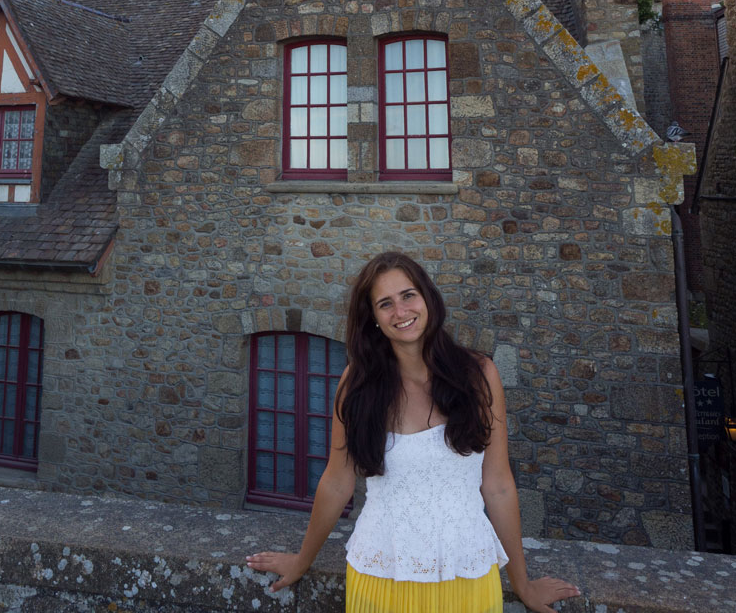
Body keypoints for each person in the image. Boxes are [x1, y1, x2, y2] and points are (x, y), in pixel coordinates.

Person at [247, 251, 580, 613]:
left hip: (467, 576)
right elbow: (337, 480)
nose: (401, 312)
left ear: (428, 298)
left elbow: (498, 485)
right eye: (385, 304)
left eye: (408, 296)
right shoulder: (356, 385)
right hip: (380, 577)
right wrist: (301, 560)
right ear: (373, 318)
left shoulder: (480, 375)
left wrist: (522, 584)